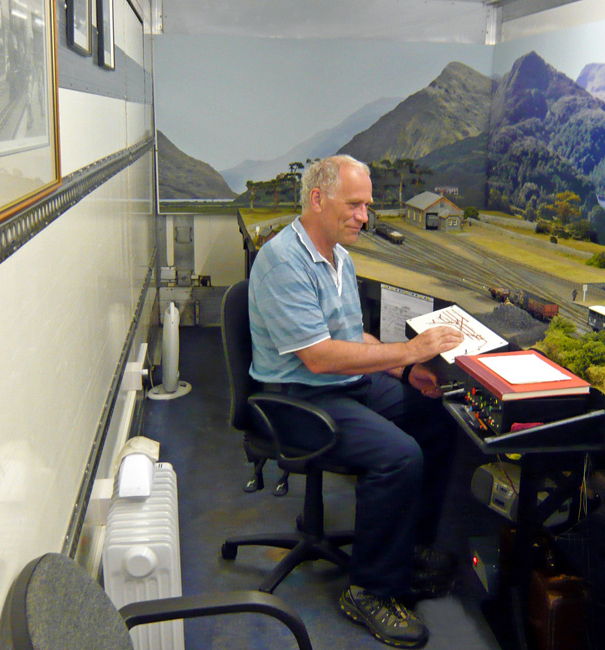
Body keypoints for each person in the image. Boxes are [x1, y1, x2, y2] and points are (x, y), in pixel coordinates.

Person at [248, 155, 464, 648]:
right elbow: (321, 357)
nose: (364, 216)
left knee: (437, 420)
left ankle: (407, 549)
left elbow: (351, 336)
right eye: (355, 204)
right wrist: (410, 348)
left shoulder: (338, 255)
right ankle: (369, 589)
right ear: (318, 199)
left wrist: (405, 370)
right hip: (296, 398)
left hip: (340, 385)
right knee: (397, 454)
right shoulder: (284, 261)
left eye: (367, 205)